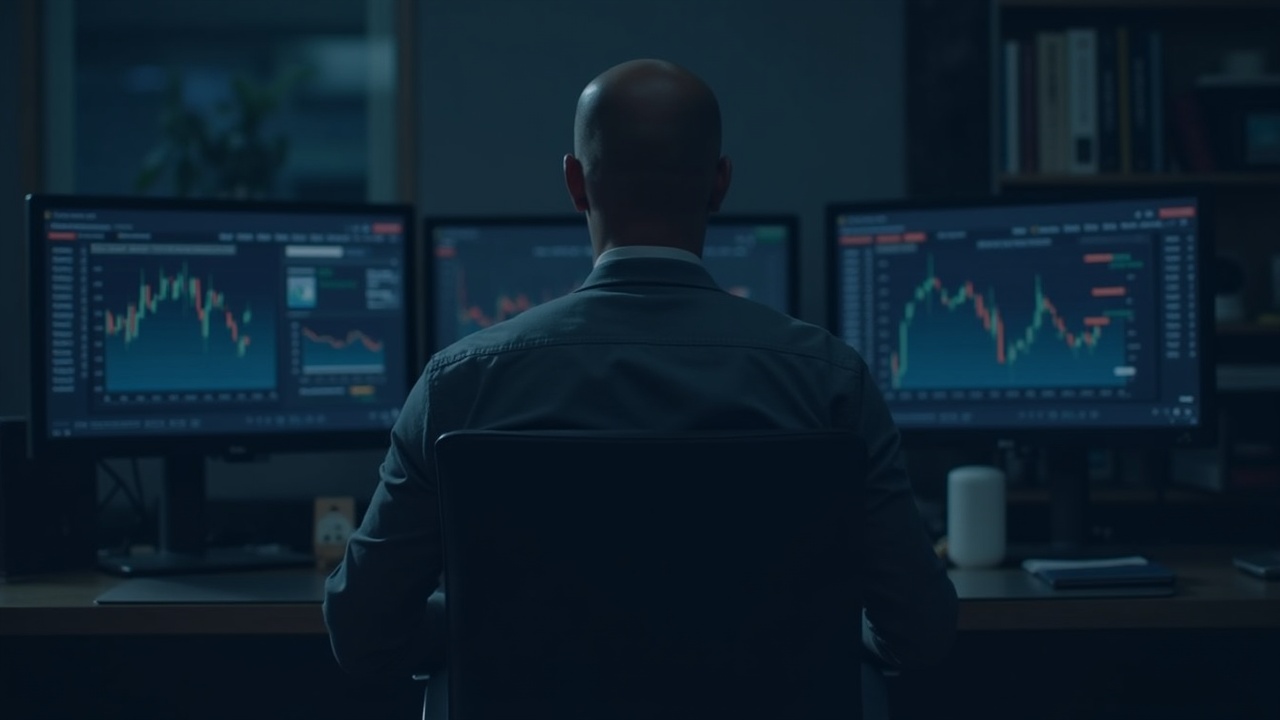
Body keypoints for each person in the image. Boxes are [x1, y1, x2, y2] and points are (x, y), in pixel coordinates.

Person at [323, 58, 957, 683]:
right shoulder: (829, 381)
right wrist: (823, 627)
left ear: (574, 182)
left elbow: (363, 632)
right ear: (720, 183)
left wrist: (480, 624)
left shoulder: (459, 384)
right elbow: (921, 633)